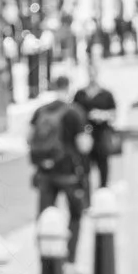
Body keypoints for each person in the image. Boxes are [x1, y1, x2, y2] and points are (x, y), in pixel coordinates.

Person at [29, 73, 89, 239]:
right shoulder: (75, 112)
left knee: (45, 215)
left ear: (54, 87)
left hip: (45, 171)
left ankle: (45, 250)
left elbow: (28, 138)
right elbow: (83, 145)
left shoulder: (40, 110)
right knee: (75, 214)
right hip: (69, 172)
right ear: (69, 87)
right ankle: (70, 251)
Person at [71, 56, 120, 189]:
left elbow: (114, 113)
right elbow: (73, 112)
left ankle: (103, 190)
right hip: (85, 134)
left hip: (101, 133)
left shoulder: (106, 94)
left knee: (103, 165)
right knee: (84, 166)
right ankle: (85, 194)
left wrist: (102, 115)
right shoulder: (80, 94)